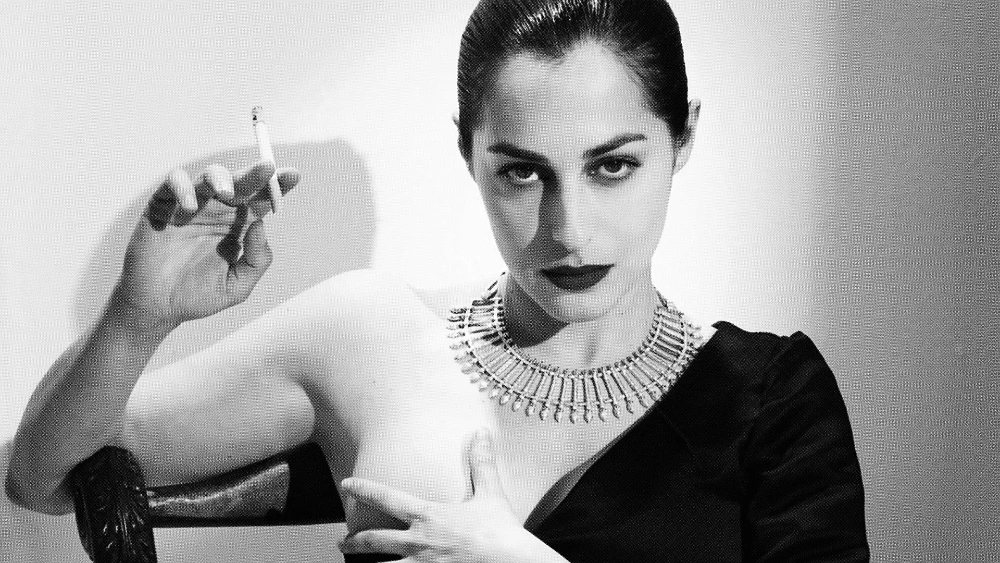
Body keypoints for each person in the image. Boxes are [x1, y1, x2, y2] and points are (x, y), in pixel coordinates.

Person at [6, 0, 870, 561]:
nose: (568, 228)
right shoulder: (369, 335)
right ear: (468, 156)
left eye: (612, 166)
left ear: (682, 141)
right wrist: (137, 315)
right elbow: (41, 474)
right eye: (522, 173)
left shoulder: (772, 398)